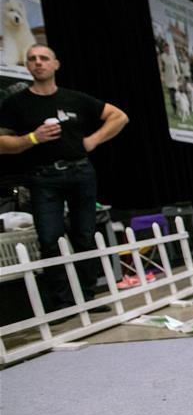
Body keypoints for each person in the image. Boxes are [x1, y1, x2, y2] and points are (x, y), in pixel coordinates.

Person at [0, 44, 129, 315]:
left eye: (44, 58)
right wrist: (32, 138)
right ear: (27, 66)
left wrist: (93, 140)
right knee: (50, 238)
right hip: (42, 176)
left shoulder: (74, 99)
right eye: (32, 59)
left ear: (55, 64)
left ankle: (87, 295)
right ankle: (62, 303)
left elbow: (119, 116)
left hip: (80, 172)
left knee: (84, 235)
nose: (38, 63)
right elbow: (2, 143)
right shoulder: (16, 104)